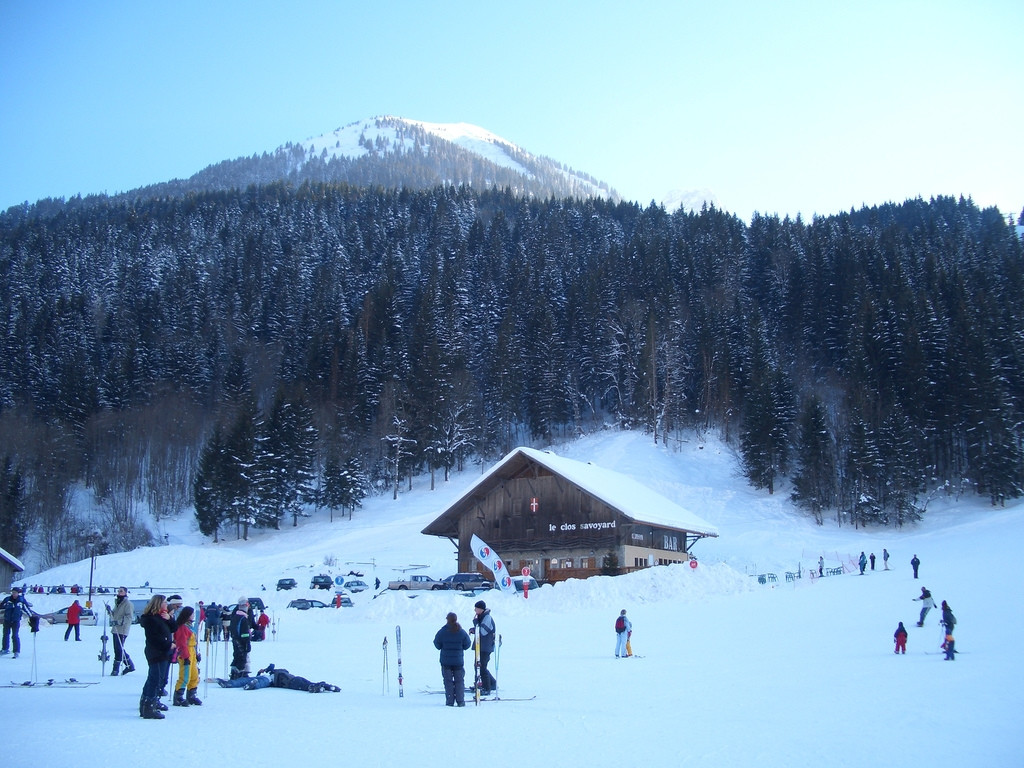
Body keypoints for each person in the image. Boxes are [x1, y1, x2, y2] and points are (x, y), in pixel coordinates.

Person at [138, 595, 173, 720]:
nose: (166, 604)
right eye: (164, 602)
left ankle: (147, 704)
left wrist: (169, 618)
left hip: (162, 652)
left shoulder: (161, 616)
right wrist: (168, 645)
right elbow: (154, 639)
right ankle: (148, 706)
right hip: (156, 652)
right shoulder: (151, 619)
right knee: (155, 679)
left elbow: (173, 628)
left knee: (155, 678)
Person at [433, 612, 472, 707]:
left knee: (448, 681)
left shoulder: (442, 632)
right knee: (459, 681)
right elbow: (467, 645)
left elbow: (437, 645)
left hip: (446, 662)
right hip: (458, 661)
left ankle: (450, 701)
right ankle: (460, 701)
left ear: (447, 619)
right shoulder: (461, 632)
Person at [217, 663, 340, 692]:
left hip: (275, 681)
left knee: (304, 684)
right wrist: (262, 672)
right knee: (246, 680)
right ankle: (230, 684)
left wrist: (266, 669)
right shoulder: (272, 675)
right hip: (265, 679)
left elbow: (272, 665)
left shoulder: (280, 674)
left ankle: (321, 686)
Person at [173, 606, 202, 706]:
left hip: (192, 651)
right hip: (185, 653)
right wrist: (185, 657)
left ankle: (191, 695)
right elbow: (181, 643)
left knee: (194, 675)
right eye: (192, 614)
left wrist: (196, 654)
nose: (193, 616)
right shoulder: (182, 627)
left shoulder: (189, 626)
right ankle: (178, 697)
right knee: (185, 676)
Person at [471, 600, 497, 694]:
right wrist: (474, 629)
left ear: (481, 609)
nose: (475, 610)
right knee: (478, 666)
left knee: (481, 667)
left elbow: (483, 631)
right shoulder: (481, 617)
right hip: (481, 646)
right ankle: (490, 683)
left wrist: (475, 623)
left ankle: (487, 688)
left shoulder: (487, 618)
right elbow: (479, 629)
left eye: (476, 608)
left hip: (485, 647)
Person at [108, 586, 136, 676]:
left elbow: (129, 617)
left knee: (118, 648)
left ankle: (116, 669)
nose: (119, 593)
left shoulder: (128, 604)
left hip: (122, 629)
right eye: (118, 591)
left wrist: (119, 622)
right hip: (115, 629)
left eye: (121, 591)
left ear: (125, 593)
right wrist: (109, 611)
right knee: (118, 648)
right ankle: (130, 665)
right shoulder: (118, 603)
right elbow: (114, 615)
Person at [1, 586, 32, 658]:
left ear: (18, 593)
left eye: (15, 593)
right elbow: (1, 606)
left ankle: (16, 651)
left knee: (15, 636)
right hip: (7, 620)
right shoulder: (7, 599)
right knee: (5, 635)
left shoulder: (21, 600)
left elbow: (27, 609)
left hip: (16, 621)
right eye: (13, 592)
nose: (14, 594)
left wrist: (32, 617)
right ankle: (5, 649)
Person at [229, 597, 252, 679]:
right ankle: (240, 674)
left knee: (236, 656)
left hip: (235, 640)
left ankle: (234, 672)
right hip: (241, 642)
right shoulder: (243, 619)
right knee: (242, 658)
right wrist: (247, 643)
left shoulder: (235, 617)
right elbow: (245, 633)